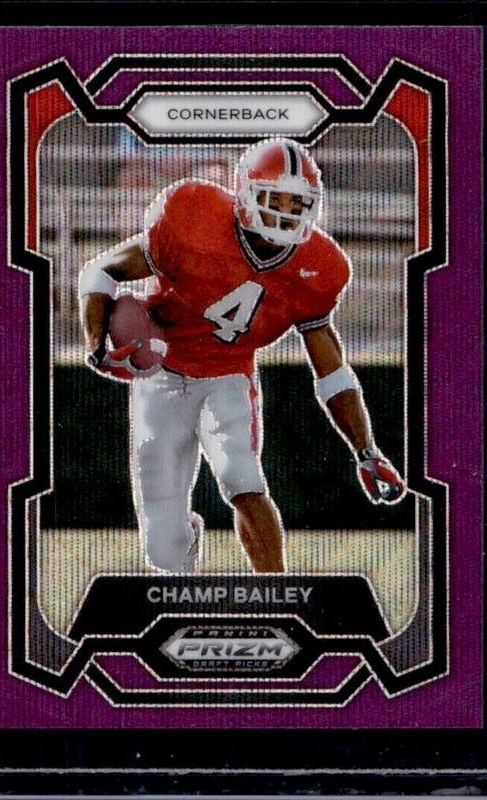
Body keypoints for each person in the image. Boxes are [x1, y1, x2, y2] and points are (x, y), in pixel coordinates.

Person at [79, 138, 405, 574]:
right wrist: (97, 344)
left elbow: (331, 371)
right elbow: (102, 270)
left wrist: (366, 451)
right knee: (163, 543)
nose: (286, 213)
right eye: (275, 199)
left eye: (297, 203)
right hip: (162, 374)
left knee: (243, 480)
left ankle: (276, 592)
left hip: (228, 375)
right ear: (245, 194)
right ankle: (182, 570)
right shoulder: (192, 215)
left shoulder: (320, 265)